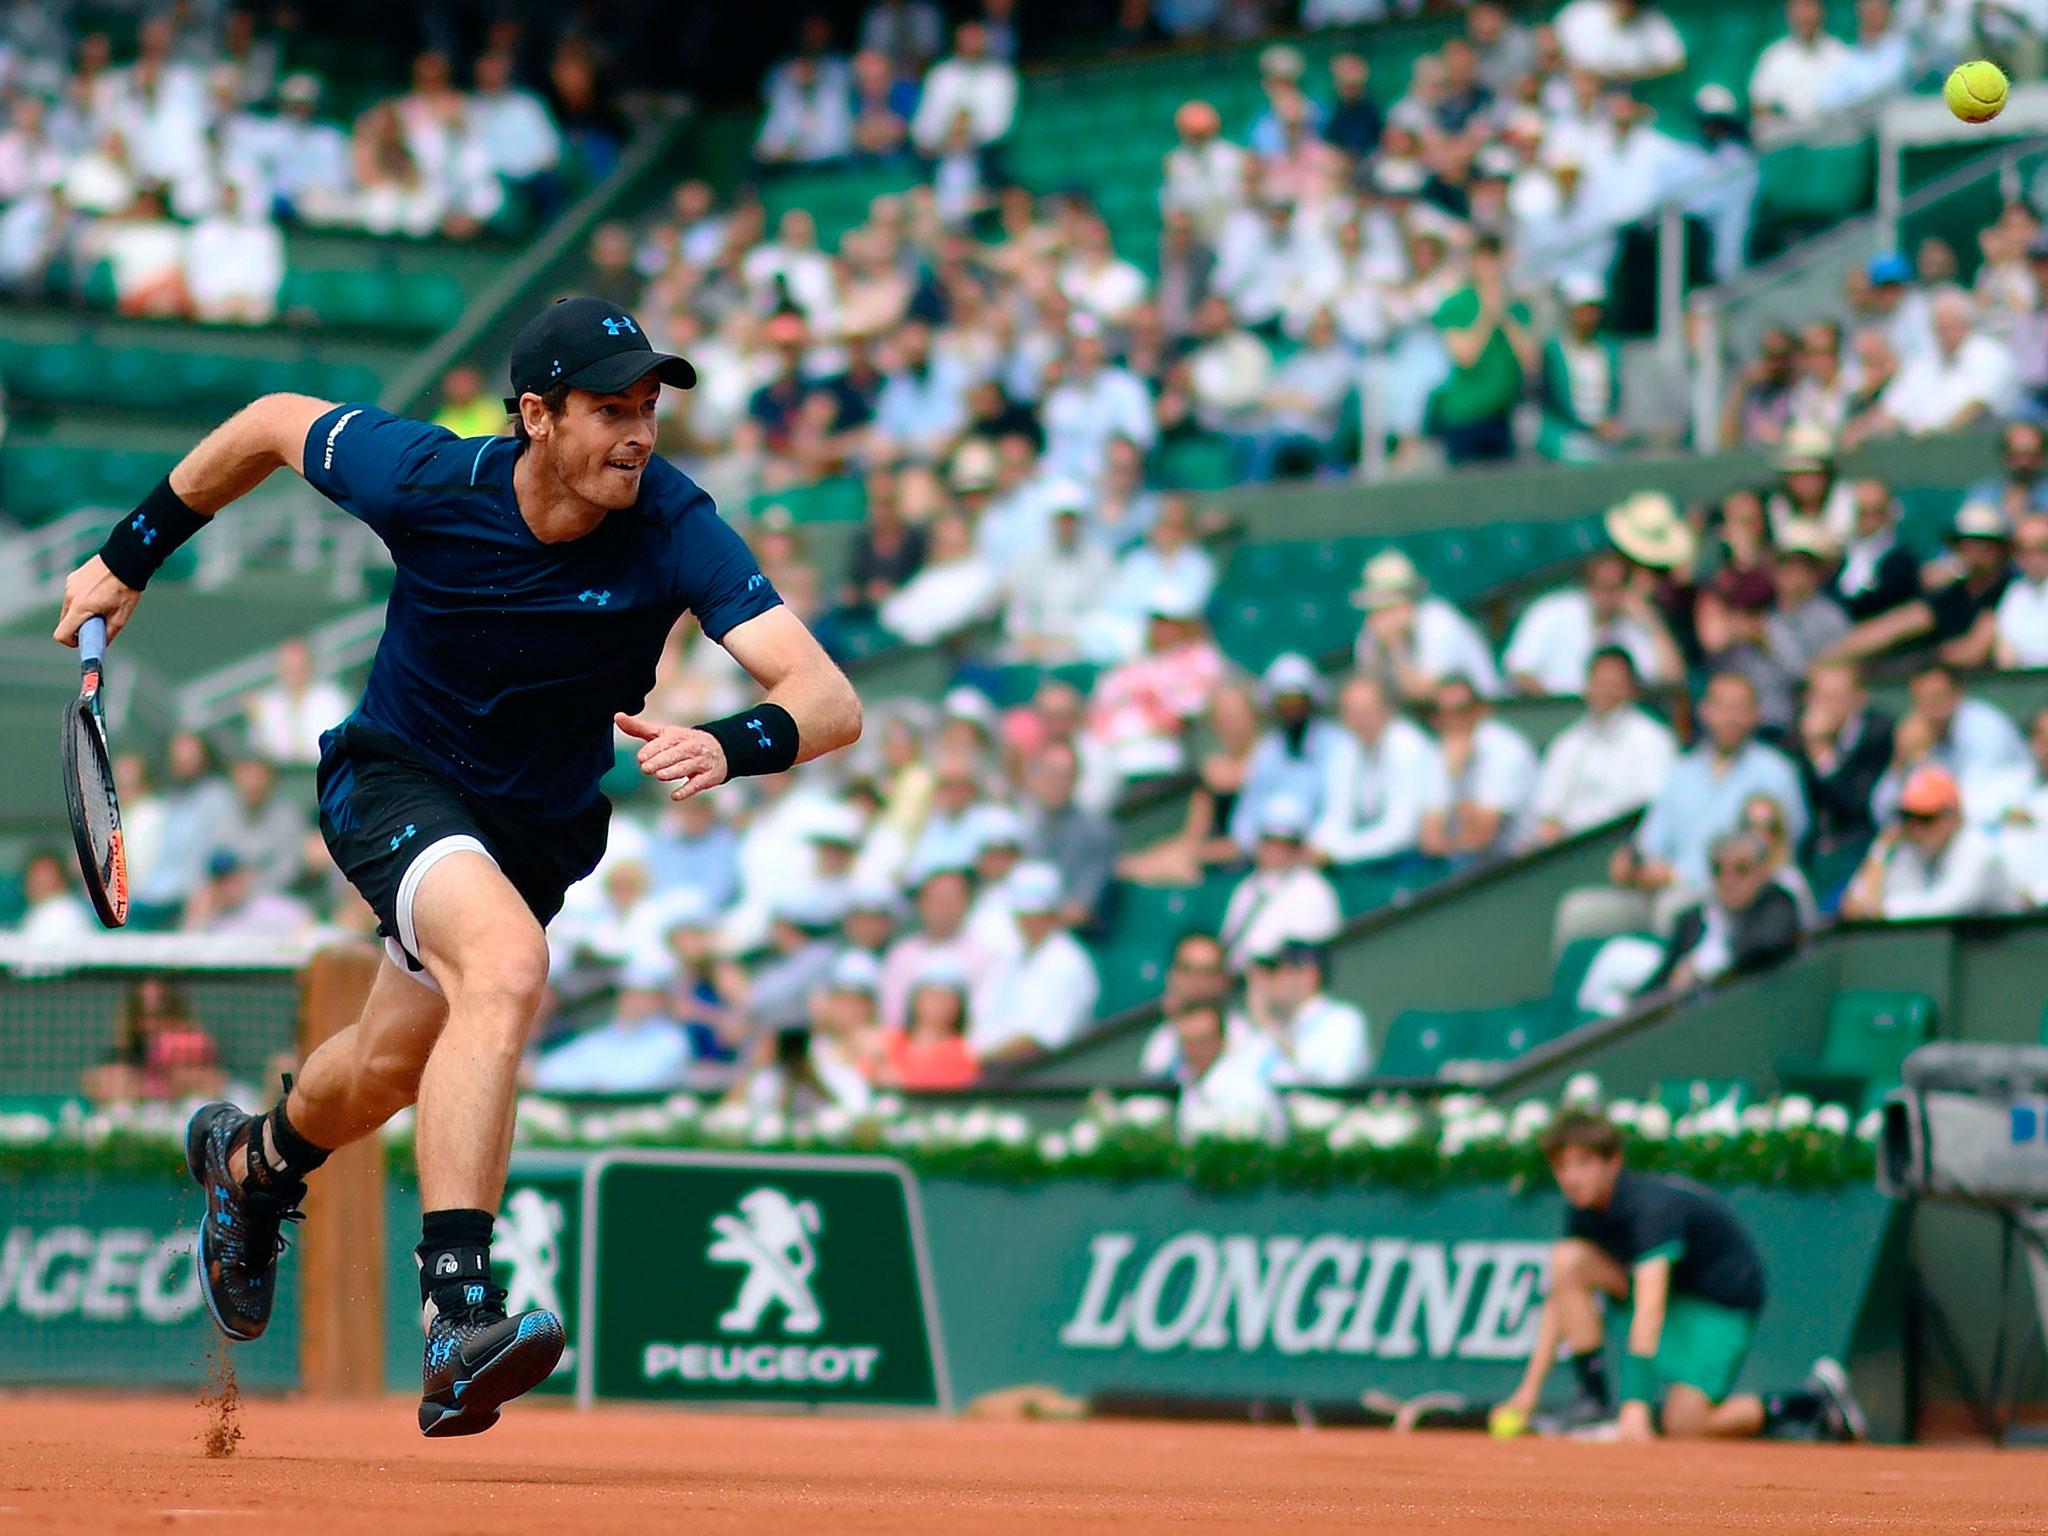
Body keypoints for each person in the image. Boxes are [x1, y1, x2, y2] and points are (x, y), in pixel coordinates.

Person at [52, 293, 861, 1436]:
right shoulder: (428, 476)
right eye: (607, 411)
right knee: (508, 967)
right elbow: (273, 419)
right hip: (395, 782)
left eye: (648, 411)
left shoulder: (676, 523)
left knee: (386, 1067)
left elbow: (827, 701)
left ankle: (253, 1167)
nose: (637, 434)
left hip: (532, 832)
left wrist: (727, 744)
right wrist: (126, 556)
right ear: (535, 415)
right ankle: (457, 1313)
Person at [1496, 1109, 1862, 1441]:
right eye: (1561, 1167)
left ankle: (1811, 1404)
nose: (1571, 1178)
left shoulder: (1651, 1209)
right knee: (1567, 1260)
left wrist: (1635, 1402)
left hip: (1719, 1305)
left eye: (1583, 1163)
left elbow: (1650, 1304)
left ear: (1614, 1163)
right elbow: (1560, 1294)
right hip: (1667, 1297)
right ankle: (1592, 1401)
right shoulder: (1583, 1208)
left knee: (1684, 1425)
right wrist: (1527, 1393)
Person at [1609, 671, 1808, 910]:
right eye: (1722, 707)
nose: (1730, 718)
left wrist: (1679, 877)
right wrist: (1632, 864)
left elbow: (1781, 855)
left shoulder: (1777, 772)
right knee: (1580, 912)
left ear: (1756, 714)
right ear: (1705, 711)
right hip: (1663, 889)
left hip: (1736, 897)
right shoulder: (1681, 772)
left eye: (1740, 708)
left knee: (1673, 906)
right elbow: (1649, 844)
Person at [1532, 648, 1679, 841]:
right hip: (1569, 851)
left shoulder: (1655, 740)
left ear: (1631, 689)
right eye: (1600, 682)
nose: (1606, 690)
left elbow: (1654, 814)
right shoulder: (1567, 743)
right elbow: (1548, 815)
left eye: (1614, 684)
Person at [1504, 544, 1684, 698]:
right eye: (1600, 586)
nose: (1605, 596)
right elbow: (1519, 673)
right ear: (1587, 585)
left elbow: (1672, 680)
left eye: (1614, 588)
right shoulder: (1550, 610)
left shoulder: (1631, 626)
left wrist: (1652, 623)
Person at [1638, 830, 1804, 996]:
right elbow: (1660, 982)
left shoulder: (1777, 902)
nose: (1728, 881)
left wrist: (1702, 968)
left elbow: (1765, 945)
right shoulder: (1693, 921)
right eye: (1718, 871)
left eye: (1741, 870)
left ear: (1762, 872)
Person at [967, 863, 1100, 1066]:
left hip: (1038, 1079)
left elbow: (1036, 1042)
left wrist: (973, 1063)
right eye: (1022, 913)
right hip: (988, 1074)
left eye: (1038, 913)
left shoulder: (1068, 963)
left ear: (1053, 913)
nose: (1028, 920)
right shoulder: (1009, 958)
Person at [1841, 767, 2016, 919]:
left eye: (1926, 819)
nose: (1915, 829)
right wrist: (1879, 852)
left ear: (1953, 818)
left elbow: (1942, 910)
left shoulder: (1979, 850)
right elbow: (1855, 907)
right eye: (1908, 817)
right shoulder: (1911, 850)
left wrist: (1881, 909)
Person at [1310, 674, 1441, 867]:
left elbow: (1401, 832)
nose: (1360, 721)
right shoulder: (1348, 747)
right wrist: (1315, 847)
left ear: (1388, 710)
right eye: (1352, 714)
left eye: (1367, 712)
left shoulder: (1407, 747)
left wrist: (1335, 851)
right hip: (1369, 858)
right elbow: (1336, 813)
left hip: (1415, 861)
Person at [1349, 548, 1502, 702]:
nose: (1381, 616)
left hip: (1483, 713)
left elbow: (1424, 693)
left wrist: (1395, 647)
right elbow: (1372, 697)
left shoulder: (1438, 620)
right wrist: (1378, 652)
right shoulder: (1370, 632)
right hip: (1426, 720)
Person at [532, 954, 692, 1093]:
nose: (632, 1001)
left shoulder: (672, 1039)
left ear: (660, 1000)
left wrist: (593, 1082)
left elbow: (641, 1081)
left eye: (643, 995)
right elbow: (557, 1068)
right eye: (628, 993)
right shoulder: (605, 1033)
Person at [1420, 676, 1538, 860]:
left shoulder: (1506, 749)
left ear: (1480, 711)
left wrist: (1454, 777)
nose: (1454, 720)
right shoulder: (1439, 751)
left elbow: (1480, 837)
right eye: (1444, 713)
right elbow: (1430, 839)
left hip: (1518, 862)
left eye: (1462, 710)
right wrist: (1449, 772)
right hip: (1463, 858)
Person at [1220, 795, 1342, 967]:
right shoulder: (1246, 887)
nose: (1275, 850)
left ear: (1299, 847)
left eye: (1285, 844)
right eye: (1269, 841)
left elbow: (1306, 955)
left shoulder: (1313, 890)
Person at [1241, 940, 1370, 1085]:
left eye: (1275, 970)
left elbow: (1333, 1079)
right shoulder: (1270, 1034)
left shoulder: (1342, 1021)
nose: (1267, 982)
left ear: (1309, 974)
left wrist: (1268, 1024)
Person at [1167, 999, 1287, 1144]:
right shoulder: (1190, 1083)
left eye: (1202, 1042)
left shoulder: (1245, 1089)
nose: (1194, 1051)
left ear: (1222, 1041)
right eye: (1187, 1042)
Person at [245, 637, 353, 766]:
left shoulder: (333, 699)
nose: (293, 671)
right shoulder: (266, 705)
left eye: (299, 664)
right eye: (287, 665)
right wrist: (259, 724)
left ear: (310, 663)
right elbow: (260, 755)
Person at [13, 848, 95, 944]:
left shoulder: (61, 913)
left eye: (44, 874)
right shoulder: (40, 910)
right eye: (33, 874)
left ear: (62, 878)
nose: (36, 880)